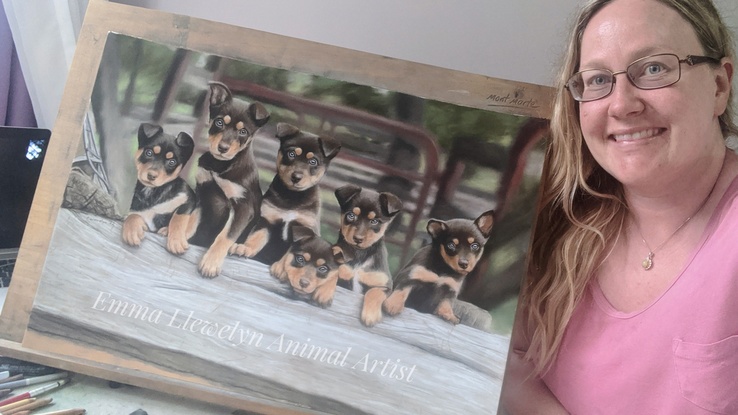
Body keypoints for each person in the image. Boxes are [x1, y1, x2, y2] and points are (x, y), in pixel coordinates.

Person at [499, 0, 737, 413]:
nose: (622, 104)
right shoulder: (563, 219)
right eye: (597, 80)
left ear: (719, 85)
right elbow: (500, 370)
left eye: (654, 68)